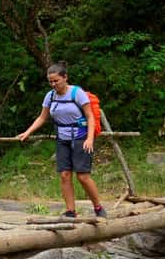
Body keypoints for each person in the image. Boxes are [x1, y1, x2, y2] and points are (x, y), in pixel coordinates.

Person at [17, 63, 107, 219]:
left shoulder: (77, 93)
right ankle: (70, 211)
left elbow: (90, 116)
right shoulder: (50, 96)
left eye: (56, 81)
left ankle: (98, 207)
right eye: (50, 81)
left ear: (65, 78)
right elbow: (42, 117)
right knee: (65, 175)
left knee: (82, 176)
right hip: (62, 139)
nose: (53, 84)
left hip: (81, 138)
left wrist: (90, 138)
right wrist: (28, 132)